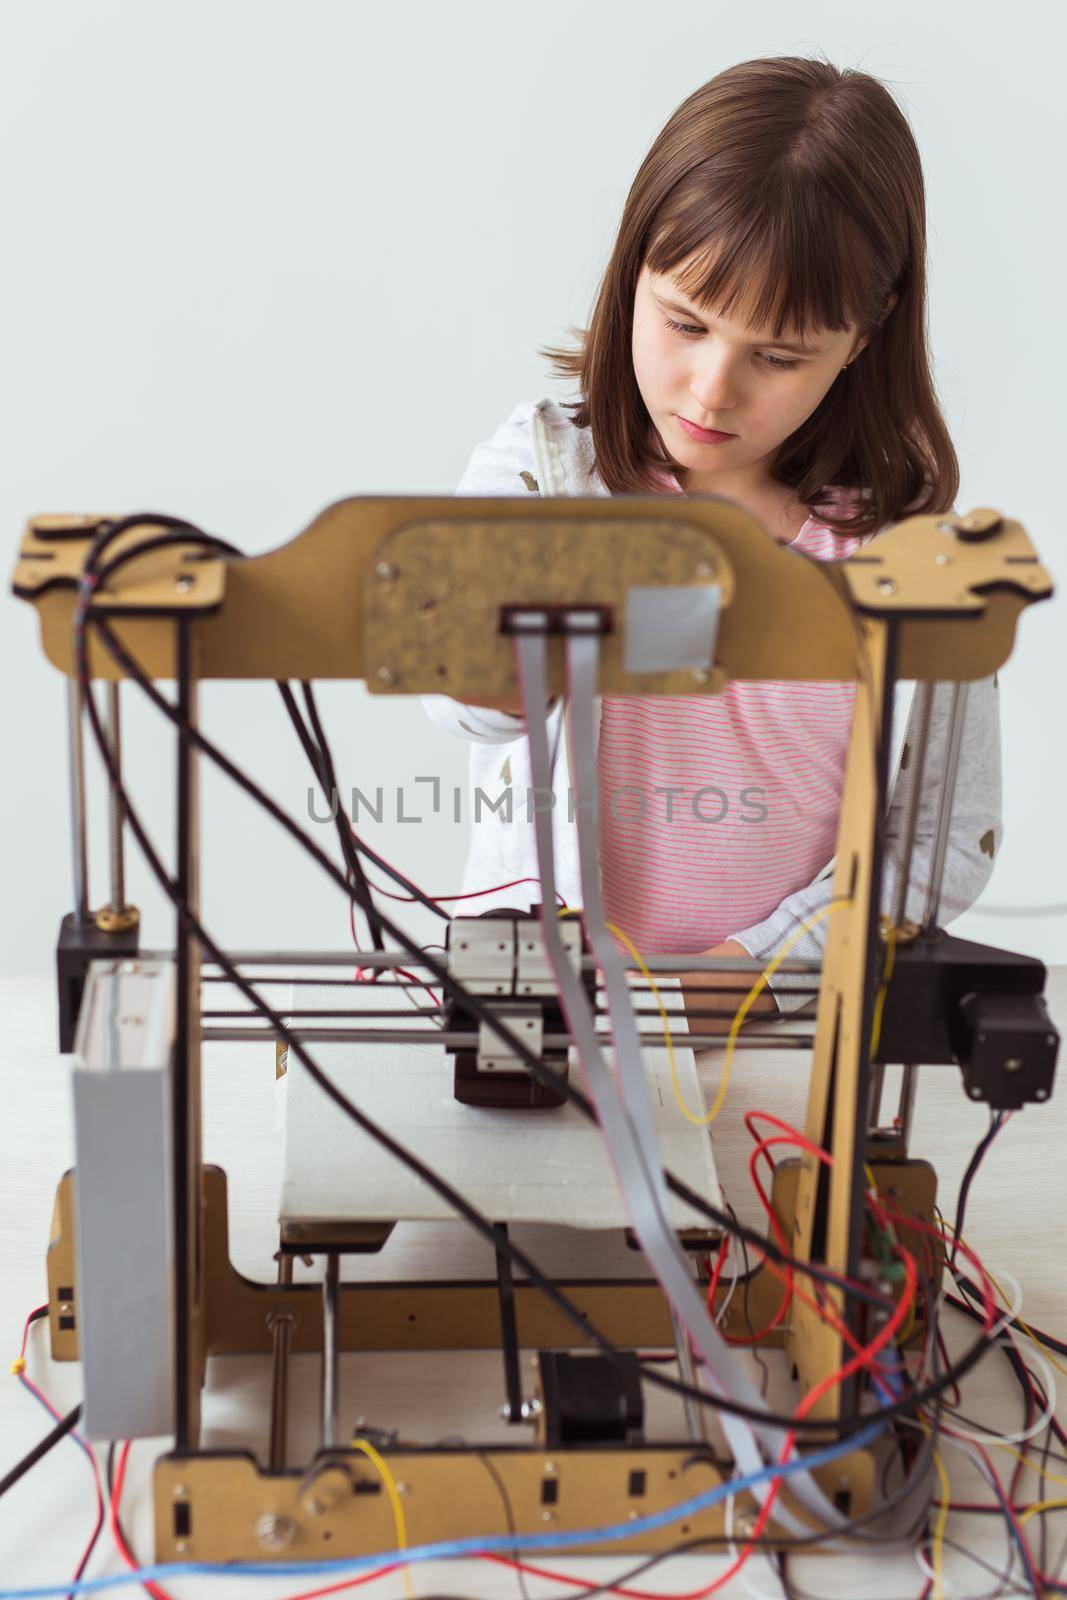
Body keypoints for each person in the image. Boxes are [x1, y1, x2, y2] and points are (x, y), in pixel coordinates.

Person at [421, 55, 1001, 1037]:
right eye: (682, 322)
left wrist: (747, 972)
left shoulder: (909, 558)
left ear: (865, 332)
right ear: (631, 267)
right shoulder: (539, 472)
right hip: (539, 1024)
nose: (708, 390)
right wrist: (482, 669)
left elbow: (939, 840)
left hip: (768, 1042)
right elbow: (465, 713)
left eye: (776, 356)